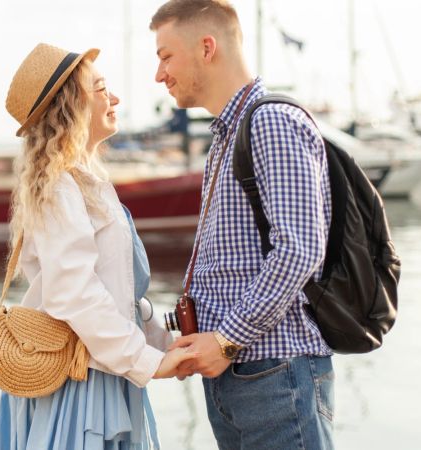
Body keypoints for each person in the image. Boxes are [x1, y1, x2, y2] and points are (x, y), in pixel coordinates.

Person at [149, 1, 336, 449]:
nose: (159, 74)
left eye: (165, 56)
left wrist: (228, 339)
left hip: (274, 373)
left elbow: (300, 250)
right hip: (242, 375)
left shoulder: (270, 121)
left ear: (207, 48)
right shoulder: (227, 134)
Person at [0, 43, 196, 450]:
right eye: (101, 88)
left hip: (102, 369)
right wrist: (148, 362)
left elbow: (117, 292)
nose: (115, 98)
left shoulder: (82, 183)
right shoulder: (61, 188)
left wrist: (162, 344)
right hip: (79, 383)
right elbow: (75, 294)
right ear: (71, 107)